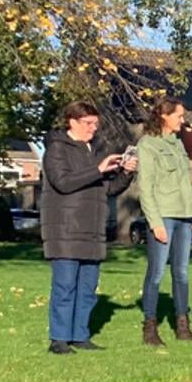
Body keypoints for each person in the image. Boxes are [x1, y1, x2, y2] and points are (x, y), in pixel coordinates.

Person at [40, 101, 136, 354]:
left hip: (92, 229)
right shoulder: (56, 149)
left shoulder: (92, 150)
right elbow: (63, 182)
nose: (94, 128)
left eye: (96, 123)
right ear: (72, 121)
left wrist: (125, 173)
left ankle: (80, 335)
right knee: (65, 286)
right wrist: (98, 169)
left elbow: (108, 189)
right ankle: (59, 339)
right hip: (65, 229)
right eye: (88, 123)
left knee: (87, 288)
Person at [135, 98, 192, 345]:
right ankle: (150, 326)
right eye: (179, 116)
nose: (183, 121)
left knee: (182, 273)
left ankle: (182, 324)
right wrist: (155, 222)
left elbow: (184, 182)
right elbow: (146, 186)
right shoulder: (148, 145)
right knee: (156, 273)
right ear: (164, 116)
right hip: (163, 215)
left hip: (184, 216)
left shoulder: (178, 144)